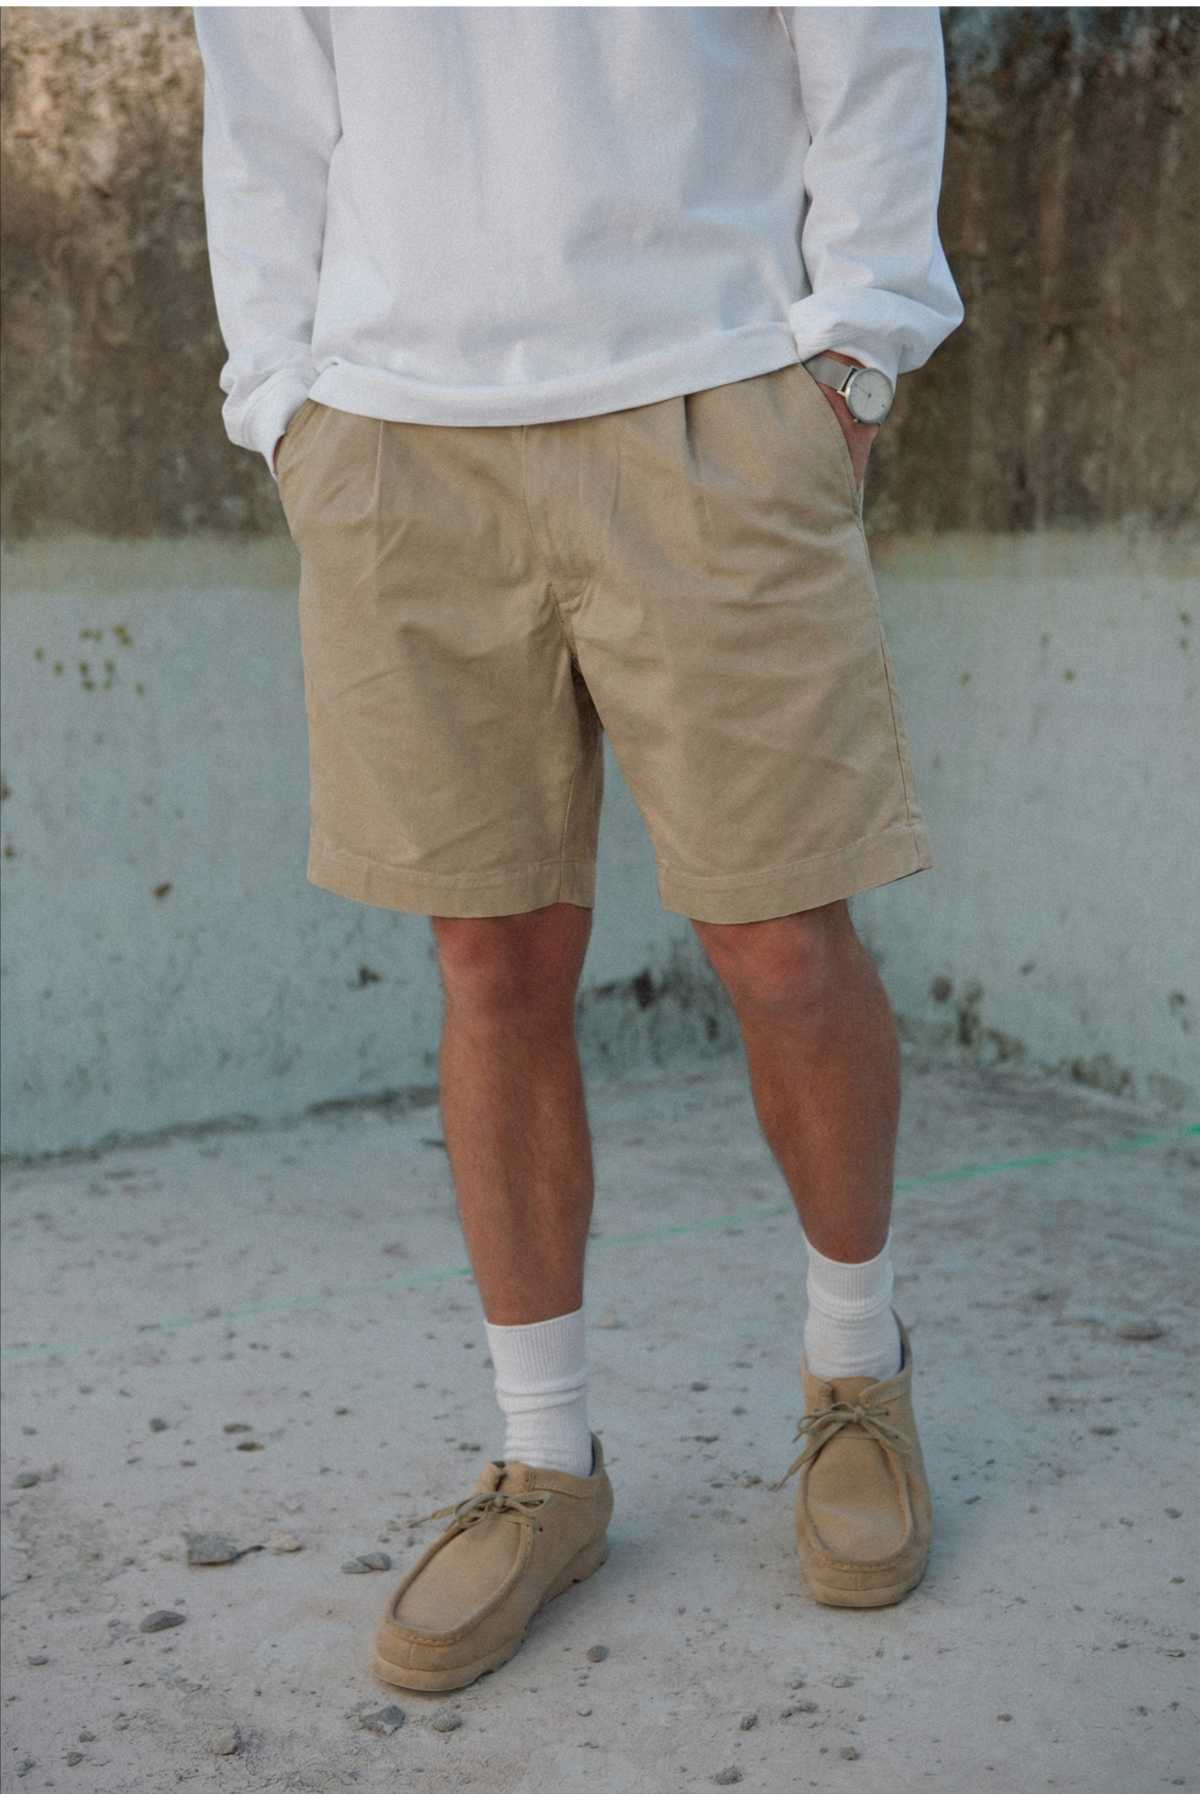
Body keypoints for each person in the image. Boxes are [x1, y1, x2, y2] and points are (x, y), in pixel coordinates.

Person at [194, 4, 964, 1693]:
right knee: (491, 960)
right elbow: (264, 108)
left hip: (712, 396)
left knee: (782, 940)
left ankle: (858, 1376)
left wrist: (857, 350)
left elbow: (866, 41)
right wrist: (284, 400)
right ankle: (545, 1461)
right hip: (396, 435)